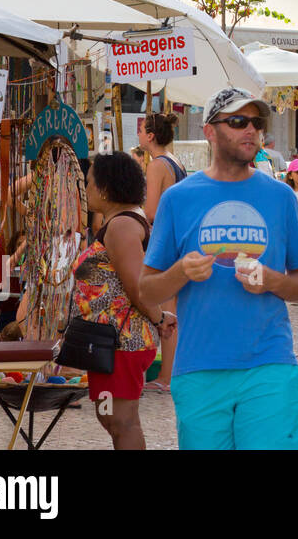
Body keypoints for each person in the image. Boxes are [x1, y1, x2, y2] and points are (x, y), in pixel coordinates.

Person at [139, 88, 298, 450]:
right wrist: (180, 272)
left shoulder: (280, 196)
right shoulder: (178, 199)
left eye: (256, 122)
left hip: (269, 364)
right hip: (199, 368)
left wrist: (271, 280)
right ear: (210, 131)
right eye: (237, 121)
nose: (250, 130)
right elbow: (147, 290)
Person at [74, 152, 174, 449]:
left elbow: (135, 284)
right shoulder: (121, 222)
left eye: (89, 183)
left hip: (121, 342)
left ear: (105, 188)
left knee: (119, 419)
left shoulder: (121, 226)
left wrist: (159, 318)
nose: (86, 189)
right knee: (111, 416)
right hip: (112, 342)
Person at [140, 111, 186, 394]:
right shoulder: (175, 161)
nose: (139, 134)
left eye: (142, 130)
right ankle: (172, 374)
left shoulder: (157, 165)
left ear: (151, 136)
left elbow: (151, 212)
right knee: (174, 311)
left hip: (166, 243)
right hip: (179, 240)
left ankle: (166, 377)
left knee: (168, 314)